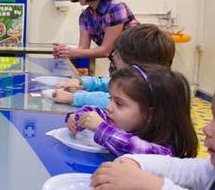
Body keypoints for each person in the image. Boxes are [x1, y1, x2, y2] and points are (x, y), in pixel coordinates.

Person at [66, 64, 197, 158]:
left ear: (151, 114)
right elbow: (99, 114)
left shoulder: (165, 151)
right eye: (111, 99)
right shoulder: (126, 121)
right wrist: (80, 117)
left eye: (119, 103)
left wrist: (101, 128)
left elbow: (136, 148)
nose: (108, 107)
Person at [52, 24, 175, 108]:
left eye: (118, 53)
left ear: (134, 63)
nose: (113, 56)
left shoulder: (146, 89)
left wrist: (74, 98)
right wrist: (82, 82)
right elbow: (110, 82)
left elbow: (110, 101)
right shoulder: (141, 79)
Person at [53, 0, 138, 68]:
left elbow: (106, 50)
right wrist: (65, 50)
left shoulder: (116, 8)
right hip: (118, 64)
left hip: (139, 65)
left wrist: (72, 52)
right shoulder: (85, 16)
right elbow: (83, 48)